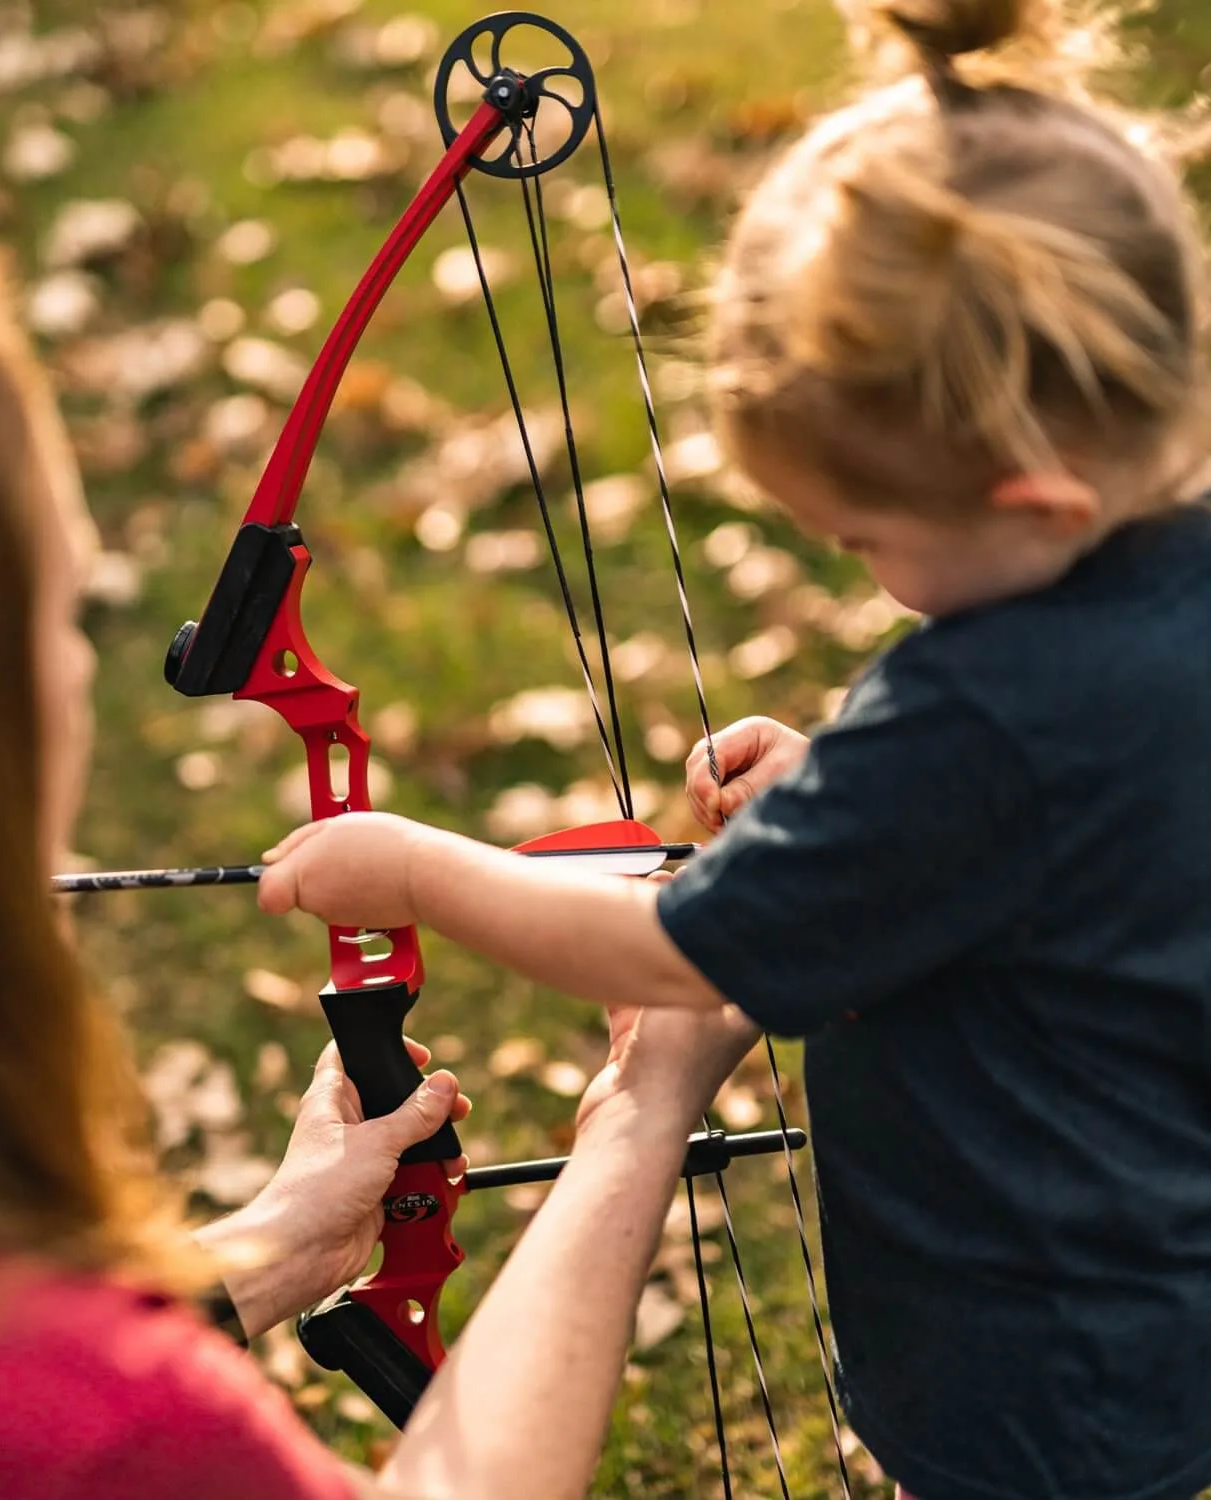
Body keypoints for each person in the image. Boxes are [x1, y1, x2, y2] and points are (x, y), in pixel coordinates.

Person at [258, 1, 1211, 1497]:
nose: (866, 566)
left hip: (1028, 1377)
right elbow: (1048, 814)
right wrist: (850, 800)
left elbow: (677, 960)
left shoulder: (978, 717)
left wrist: (418, 868)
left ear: (1033, 501)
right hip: (1143, 1274)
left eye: (867, 535)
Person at [0, 192, 757, 1500]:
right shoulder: (105, 1434)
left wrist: (275, 1245)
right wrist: (639, 1113)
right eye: (64, 615)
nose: (80, 676)